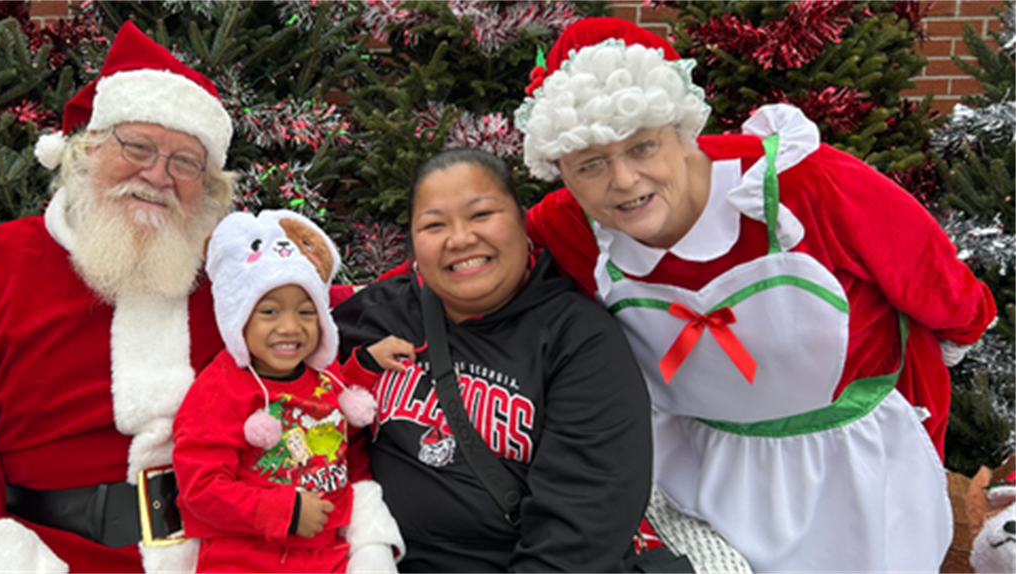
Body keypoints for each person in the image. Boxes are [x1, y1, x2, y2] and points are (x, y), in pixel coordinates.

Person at [0, 22, 399, 574]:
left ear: (208, 187)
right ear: (87, 151)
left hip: (223, 553)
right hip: (34, 550)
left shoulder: (237, 276)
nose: (158, 174)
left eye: (186, 162)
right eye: (138, 146)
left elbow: (350, 305)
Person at [517, 17, 998, 573]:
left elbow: (925, 266)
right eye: (591, 164)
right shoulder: (570, 227)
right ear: (562, 172)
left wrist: (962, 327)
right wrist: (391, 322)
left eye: (643, 146)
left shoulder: (801, 184)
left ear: (682, 131)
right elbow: (465, 259)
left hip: (851, 475)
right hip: (695, 474)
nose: (623, 180)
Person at [332, 147, 653, 573]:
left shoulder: (577, 338)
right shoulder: (373, 316)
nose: (460, 238)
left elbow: (582, 529)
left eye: (481, 215)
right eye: (433, 224)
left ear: (522, 221)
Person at [172, 209, 404, 573]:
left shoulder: (324, 375)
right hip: (247, 559)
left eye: (306, 312)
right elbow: (199, 488)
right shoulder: (220, 390)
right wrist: (281, 511)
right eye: (269, 311)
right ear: (238, 316)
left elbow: (341, 431)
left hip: (327, 556)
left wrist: (367, 367)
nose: (290, 327)